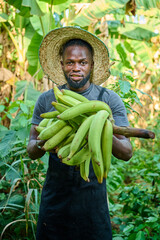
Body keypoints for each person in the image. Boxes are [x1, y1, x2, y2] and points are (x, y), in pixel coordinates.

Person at [27, 26, 132, 240]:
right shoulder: (48, 100)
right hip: (55, 200)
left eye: (82, 62)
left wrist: (98, 127)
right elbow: (31, 148)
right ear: (62, 65)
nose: (76, 68)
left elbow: (126, 152)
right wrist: (46, 143)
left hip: (92, 200)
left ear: (91, 65)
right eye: (70, 62)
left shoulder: (108, 101)